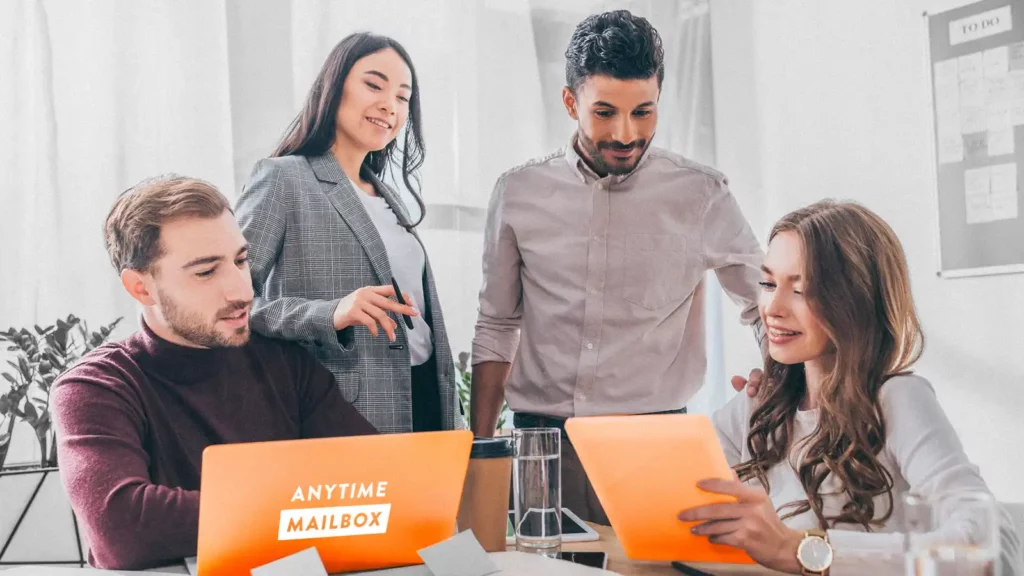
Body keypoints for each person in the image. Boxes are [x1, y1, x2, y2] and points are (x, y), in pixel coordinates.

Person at [470, 10, 764, 524]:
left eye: (643, 113)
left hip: (655, 446)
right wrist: (480, 453)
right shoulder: (518, 193)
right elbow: (497, 324)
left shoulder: (701, 194)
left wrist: (782, 387)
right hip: (543, 446)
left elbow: (765, 305)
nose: (626, 134)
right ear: (570, 102)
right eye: (604, 112)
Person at [52, 176, 377, 570]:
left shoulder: (288, 365)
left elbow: (376, 484)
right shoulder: (95, 388)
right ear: (141, 288)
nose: (241, 291)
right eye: (206, 272)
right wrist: (305, 508)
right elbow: (124, 528)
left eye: (241, 261)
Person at [680, 201, 1022, 575]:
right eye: (767, 283)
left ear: (854, 299)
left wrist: (799, 550)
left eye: (802, 289)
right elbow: (681, 498)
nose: (772, 307)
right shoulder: (757, 405)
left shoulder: (896, 400)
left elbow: (990, 547)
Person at [237, 32, 461, 434]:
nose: (388, 105)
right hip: (344, 411)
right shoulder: (282, 179)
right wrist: (330, 313)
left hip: (427, 398)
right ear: (333, 86)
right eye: (374, 85)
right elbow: (232, 305)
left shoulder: (390, 198)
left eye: (403, 97)